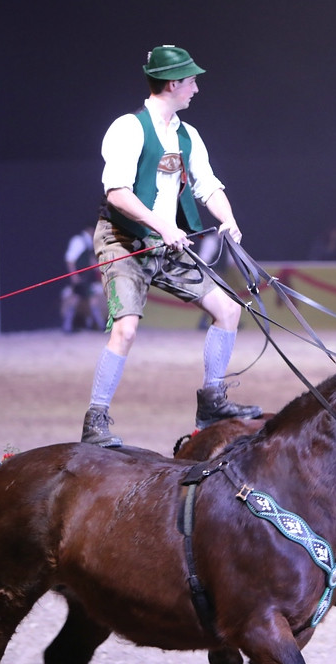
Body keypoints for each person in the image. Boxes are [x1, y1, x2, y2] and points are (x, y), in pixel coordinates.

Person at [82, 45, 262, 447]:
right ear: (173, 83)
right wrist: (162, 225)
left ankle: (212, 400)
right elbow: (117, 193)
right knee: (125, 330)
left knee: (228, 309)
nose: (196, 88)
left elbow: (208, 185)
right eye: (192, 81)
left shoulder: (188, 135)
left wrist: (227, 218)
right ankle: (95, 420)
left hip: (168, 243)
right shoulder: (128, 128)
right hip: (123, 240)